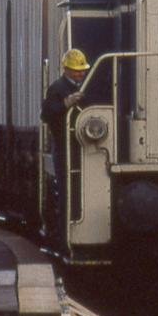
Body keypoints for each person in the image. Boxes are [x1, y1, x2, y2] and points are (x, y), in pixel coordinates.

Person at [41, 49, 90, 205]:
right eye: (76, 71)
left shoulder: (85, 86)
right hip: (63, 145)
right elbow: (46, 115)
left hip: (82, 144)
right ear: (67, 69)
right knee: (66, 188)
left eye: (82, 70)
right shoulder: (56, 88)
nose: (80, 74)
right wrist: (65, 103)